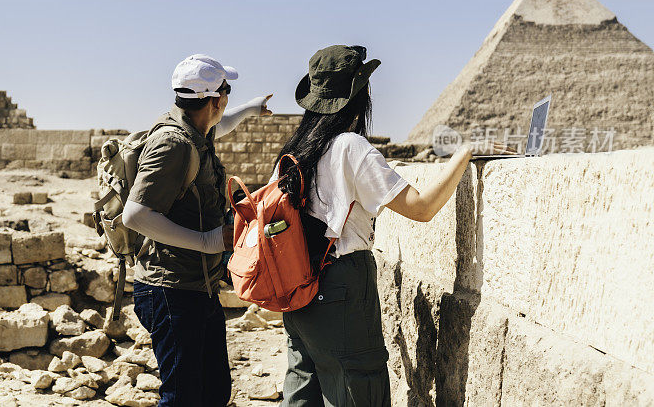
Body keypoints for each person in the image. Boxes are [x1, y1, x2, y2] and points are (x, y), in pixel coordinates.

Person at [274, 45, 508, 406]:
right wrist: (465, 154)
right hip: (342, 282)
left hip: (295, 284)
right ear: (360, 95)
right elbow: (422, 208)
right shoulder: (351, 147)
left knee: (303, 384)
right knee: (359, 386)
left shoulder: (293, 151)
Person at [122, 54, 272, 407]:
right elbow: (135, 214)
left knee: (214, 392)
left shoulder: (196, 130)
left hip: (198, 285)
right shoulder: (173, 144)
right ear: (214, 100)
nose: (227, 100)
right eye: (227, 92)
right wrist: (206, 241)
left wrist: (251, 109)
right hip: (170, 290)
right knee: (182, 399)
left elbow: (222, 124)